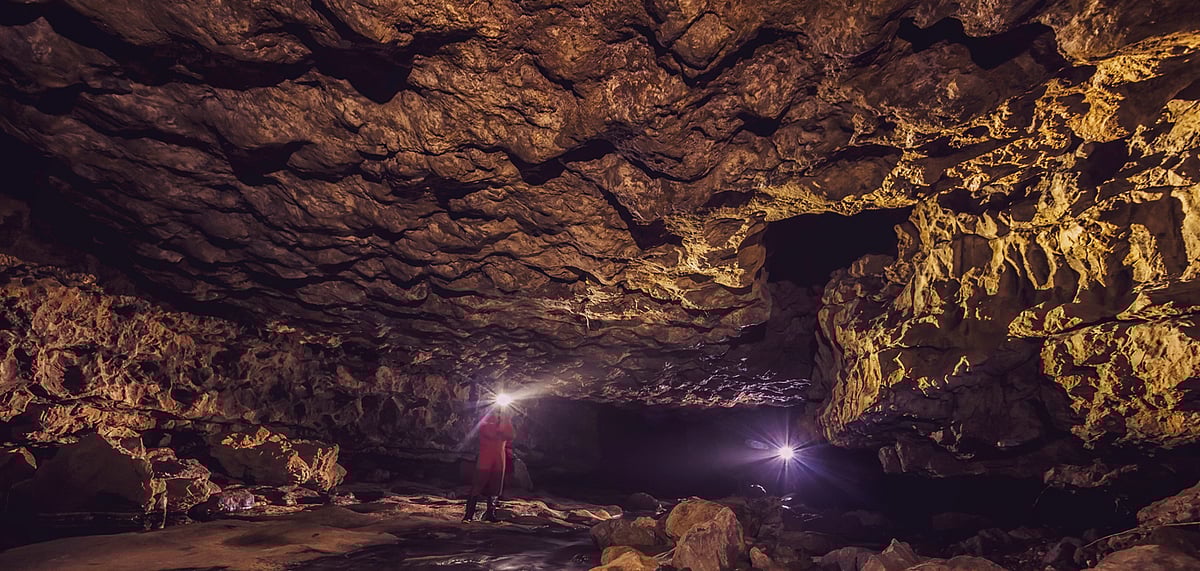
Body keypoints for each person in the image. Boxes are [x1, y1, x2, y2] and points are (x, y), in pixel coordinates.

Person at [463, 408, 515, 522]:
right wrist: (501, 423)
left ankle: (491, 515)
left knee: (496, 487)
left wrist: (506, 419)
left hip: (499, 459)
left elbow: (510, 435)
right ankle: (468, 515)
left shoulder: (505, 421)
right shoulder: (485, 422)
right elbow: (491, 434)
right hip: (485, 459)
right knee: (478, 484)